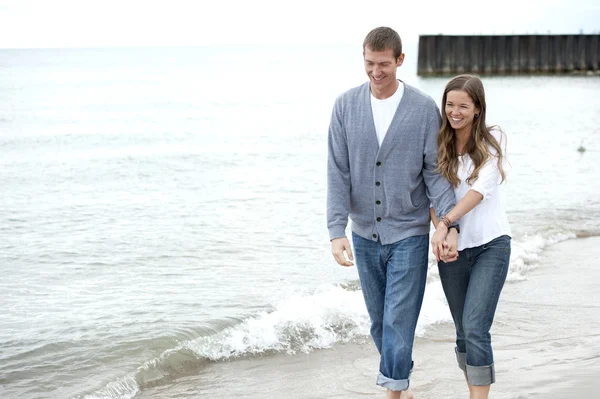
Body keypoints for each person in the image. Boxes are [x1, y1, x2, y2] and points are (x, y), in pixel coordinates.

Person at [327, 26, 458, 399]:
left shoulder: (422, 109)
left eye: (384, 64)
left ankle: (395, 392)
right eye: (369, 63)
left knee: (399, 322)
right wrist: (336, 231)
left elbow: (435, 173)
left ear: (400, 60)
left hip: (409, 233)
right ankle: (399, 376)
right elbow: (337, 170)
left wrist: (449, 224)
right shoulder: (345, 106)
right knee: (380, 324)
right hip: (364, 234)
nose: (376, 71)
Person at [430, 74, 511, 399]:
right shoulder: (437, 144)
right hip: (452, 252)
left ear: (478, 108)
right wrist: (443, 229)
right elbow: (432, 194)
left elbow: (479, 192)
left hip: (491, 246)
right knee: (463, 333)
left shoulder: (493, 139)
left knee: (476, 327)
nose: (455, 112)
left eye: (463, 105)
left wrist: (445, 223)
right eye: (450, 104)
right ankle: (473, 392)